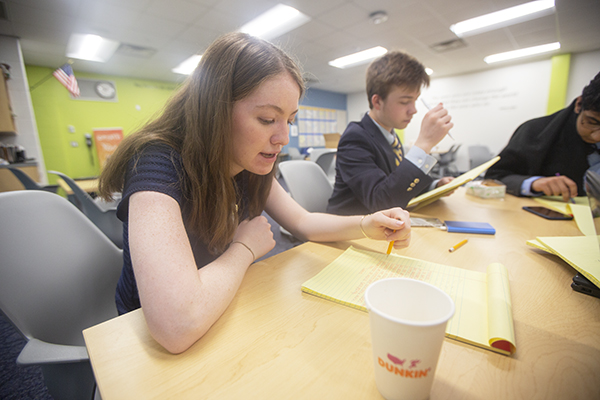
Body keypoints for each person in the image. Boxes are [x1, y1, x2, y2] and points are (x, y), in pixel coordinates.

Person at [98, 32, 411, 354]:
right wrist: (244, 248)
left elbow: (303, 222)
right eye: (267, 119)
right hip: (150, 340)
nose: (283, 138)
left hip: (221, 305)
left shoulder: (246, 161)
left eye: (289, 120)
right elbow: (177, 324)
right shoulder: (156, 164)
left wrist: (365, 224)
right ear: (214, 111)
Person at [327, 51, 455, 216]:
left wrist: (435, 186)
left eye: (415, 100)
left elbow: (397, 186)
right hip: (350, 230)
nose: (413, 110)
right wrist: (423, 144)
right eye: (404, 101)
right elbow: (381, 202)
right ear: (377, 101)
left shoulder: (390, 137)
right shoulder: (355, 138)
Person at [485, 71, 600, 202]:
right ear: (579, 104)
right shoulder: (533, 131)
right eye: (591, 122)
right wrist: (533, 183)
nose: (597, 137)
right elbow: (495, 176)